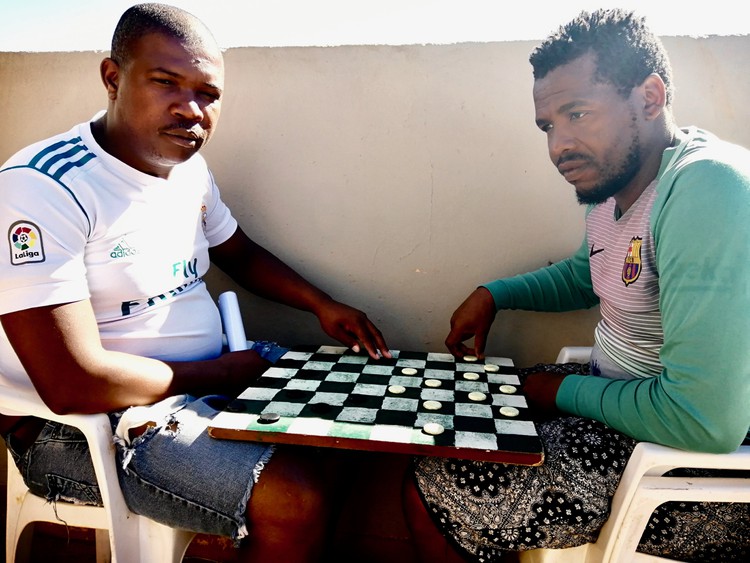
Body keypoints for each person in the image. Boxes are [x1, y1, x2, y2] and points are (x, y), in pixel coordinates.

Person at [0, 3, 391, 561]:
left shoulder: (186, 169)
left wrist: (322, 305)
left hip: (203, 385)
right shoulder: (43, 190)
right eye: (166, 83)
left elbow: (238, 251)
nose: (191, 110)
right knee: (294, 499)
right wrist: (224, 372)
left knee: (358, 420)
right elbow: (71, 383)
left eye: (208, 94)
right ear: (113, 77)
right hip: (79, 429)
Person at [403, 8, 750, 563]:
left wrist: (556, 392)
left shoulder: (706, 188)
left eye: (578, 113)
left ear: (651, 97)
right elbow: (589, 272)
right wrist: (497, 293)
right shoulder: (617, 186)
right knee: (456, 416)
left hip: (689, 470)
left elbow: (704, 422)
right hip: (622, 403)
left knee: (441, 486)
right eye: (548, 125)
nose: (558, 146)